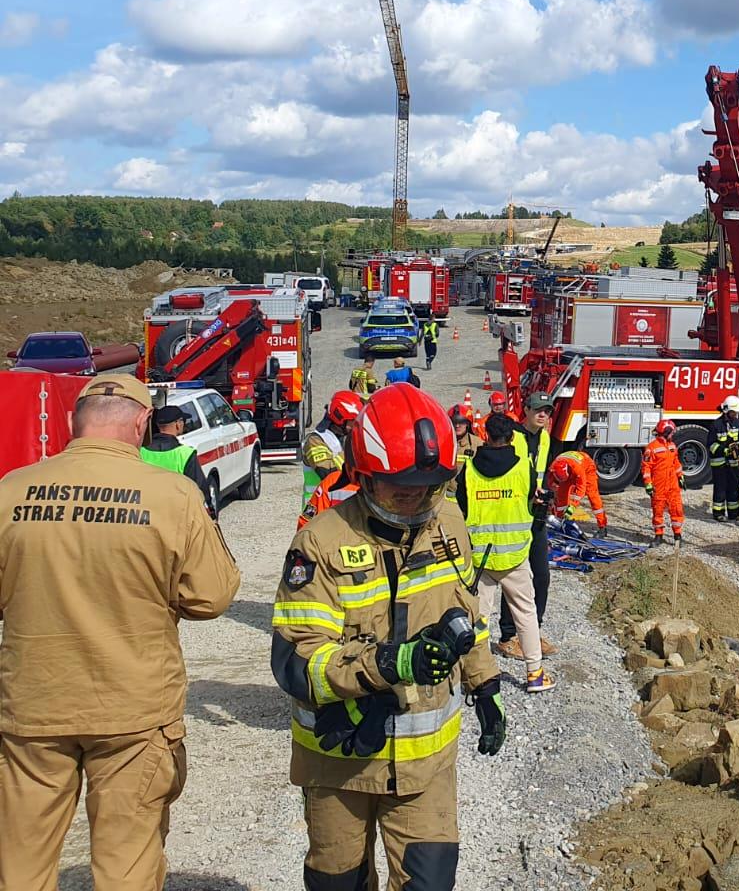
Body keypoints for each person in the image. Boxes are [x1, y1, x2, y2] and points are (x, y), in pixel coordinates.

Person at [0, 374, 240, 890]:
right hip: (133, 709)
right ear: (140, 423)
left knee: (19, 860)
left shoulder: (11, 490)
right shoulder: (174, 494)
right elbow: (212, 596)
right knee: (126, 861)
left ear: (72, 423)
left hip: (33, 708)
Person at [270, 382, 505, 890]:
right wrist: (387, 664)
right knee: (339, 882)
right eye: (399, 486)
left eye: (426, 486)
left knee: (431, 882)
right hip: (341, 763)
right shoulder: (320, 542)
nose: (414, 498)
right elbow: (297, 662)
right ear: (364, 475)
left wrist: (485, 686)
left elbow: (466, 613)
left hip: (425, 765)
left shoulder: (447, 523)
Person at [456, 414, 553, 693]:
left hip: (480, 557)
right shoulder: (524, 466)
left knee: (479, 616)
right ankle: (534, 673)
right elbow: (530, 503)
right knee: (525, 613)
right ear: (512, 437)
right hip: (514, 555)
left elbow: (463, 508)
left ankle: (478, 675)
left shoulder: (470, 469)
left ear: (485, 435)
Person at [496, 394, 555, 659]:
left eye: (547, 411)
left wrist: (544, 493)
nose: (542, 415)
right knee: (513, 576)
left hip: (536, 514)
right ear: (527, 410)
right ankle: (508, 636)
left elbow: (541, 473)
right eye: (538, 410)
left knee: (541, 574)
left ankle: (533, 631)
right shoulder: (513, 436)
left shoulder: (544, 437)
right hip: (513, 514)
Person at [142, 401, 215, 517]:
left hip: (146, 513)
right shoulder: (185, 454)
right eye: (183, 421)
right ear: (177, 424)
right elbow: (200, 489)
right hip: (177, 514)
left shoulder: (141, 452)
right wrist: (211, 512)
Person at [301, 390, 363, 514]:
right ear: (340, 418)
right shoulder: (315, 441)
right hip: (318, 508)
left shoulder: (345, 439)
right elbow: (328, 473)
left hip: (340, 507)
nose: (356, 426)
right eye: (353, 422)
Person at [643, 419, 684, 546]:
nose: (673, 435)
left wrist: (680, 476)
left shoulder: (672, 446)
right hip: (658, 485)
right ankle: (658, 536)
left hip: (673, 485)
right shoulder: (652, 447)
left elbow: (676, 462)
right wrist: (648, 483)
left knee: (676, 509)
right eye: (671, 432)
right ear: (666, 432)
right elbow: (646, 467)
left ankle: (678, 536)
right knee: (658, 510)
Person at [548, 449, 607, 536]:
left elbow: (581, 489)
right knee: (561, 496)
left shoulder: (577, 469)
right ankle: (560, 522)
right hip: (570, 470)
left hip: (587, 468)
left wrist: (573, 506)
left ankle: (602, 527)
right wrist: (554, 495)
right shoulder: (553, 467)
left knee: (592, 495)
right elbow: (550, 483)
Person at [708, 396, 739, 524]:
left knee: (734, 488)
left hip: (733, 463)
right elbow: (711, 445)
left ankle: (734, 514)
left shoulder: (737, 424)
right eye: (733, 412)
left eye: (736, 413)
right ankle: (718, 513)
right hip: (719, 464)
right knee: (720, 488)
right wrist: (724, 450)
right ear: (727, 410)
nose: (735, 415)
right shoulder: (716, 425)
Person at [450, 404, 479, 471]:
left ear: (467, 424)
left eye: (461, 422)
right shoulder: (443, 443)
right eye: (454, 422)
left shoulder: (477, 444)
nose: (457, 426)